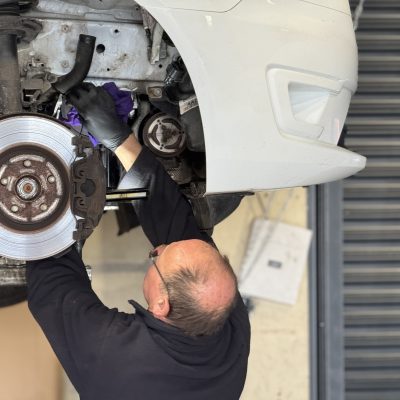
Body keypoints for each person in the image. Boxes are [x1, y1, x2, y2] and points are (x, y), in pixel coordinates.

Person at [27, 83, 251, 400]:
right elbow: (177, 225)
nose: (157, 248)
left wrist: (47, 191)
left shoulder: (114, 360)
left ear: (162, 304)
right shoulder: (225, 320)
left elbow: (53, 286)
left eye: (156, 258)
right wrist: (120, 139)